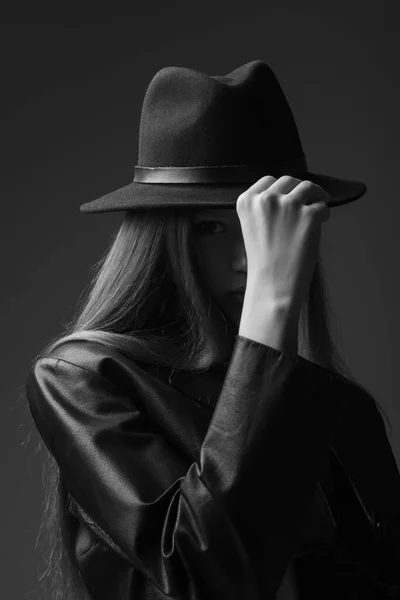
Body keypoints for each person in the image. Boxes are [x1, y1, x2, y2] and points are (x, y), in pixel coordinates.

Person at [25, 60, 400, 600]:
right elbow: (208, 578)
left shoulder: (342, 411)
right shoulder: (84, 379)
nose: (249, 260)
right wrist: (272, 302)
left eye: (262, 230)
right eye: (211, 227)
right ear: (160, 241)